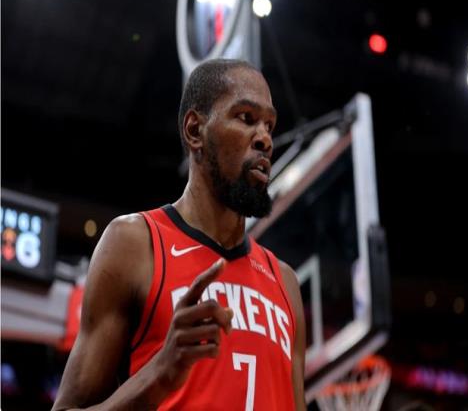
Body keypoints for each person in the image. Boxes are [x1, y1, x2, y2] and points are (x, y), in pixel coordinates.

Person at [53, 59, 306, 410]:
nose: (264, 138)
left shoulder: (285, 284)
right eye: (246, 118)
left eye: (269, 125)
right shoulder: (134, 245)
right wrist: (160, 373)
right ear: (194, 130)